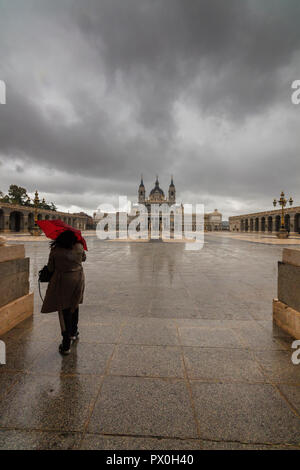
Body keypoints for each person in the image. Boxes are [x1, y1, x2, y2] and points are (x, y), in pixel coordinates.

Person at [41, 230, 86, 355]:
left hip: (62, 280)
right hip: (78, 278)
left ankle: (66, 343)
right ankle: (74, 332)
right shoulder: (79, 246)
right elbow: (84, 258)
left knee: (64, 308)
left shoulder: (56, 250)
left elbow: (50, 268)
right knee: (74, 304)